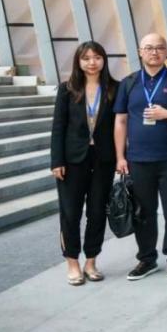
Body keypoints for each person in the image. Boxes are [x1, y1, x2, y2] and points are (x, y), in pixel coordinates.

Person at [114, 33, 167, 280]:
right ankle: (147, 259)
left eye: (160, 48)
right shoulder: (129, 82)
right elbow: (120, 121)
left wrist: (166, 114)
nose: (154, 52)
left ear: (166, 52)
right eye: (149, 48)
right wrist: (120, 157)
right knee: (143, 212)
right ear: (140, 52)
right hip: (138, 160)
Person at [50, 41, 119, 285]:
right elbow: (58, 127)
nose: (92, 62)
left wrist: (122, 157)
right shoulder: (67, 89)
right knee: (70, 213)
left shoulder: (114, 88)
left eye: (97, 57)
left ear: (104, 60)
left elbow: (120, 125)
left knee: (97, 211)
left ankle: (91, 261)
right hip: (72, 161)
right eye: (86, 58)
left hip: (103, 159)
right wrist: (56, 160)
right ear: (78, 62)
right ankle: (72, 263)